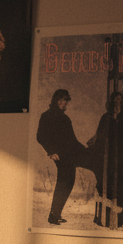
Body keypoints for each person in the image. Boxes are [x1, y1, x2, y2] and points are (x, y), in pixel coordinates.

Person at [36, 89, 93, 225]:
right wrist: (51, 151)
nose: (63, 103)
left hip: (70, 153)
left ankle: (55, 214)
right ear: (55, 100)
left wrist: (84, 150)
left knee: (68, 182)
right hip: (60, 155)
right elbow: (40, 136)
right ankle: (53, 215)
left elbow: (72, 140)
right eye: (61, 100)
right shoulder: (46, 116)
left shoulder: (65, 118)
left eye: (65, 100)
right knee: (64, 182)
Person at [87, 91, 123, 227]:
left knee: (122, 186)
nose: (117, 103)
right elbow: (99, 135)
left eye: (119, 101)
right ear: (111, 102)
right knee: (106, 185)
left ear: (122, 102)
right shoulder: (105, 117)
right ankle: (106, 218)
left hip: (121, 157)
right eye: (115, 101)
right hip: (107, 157)